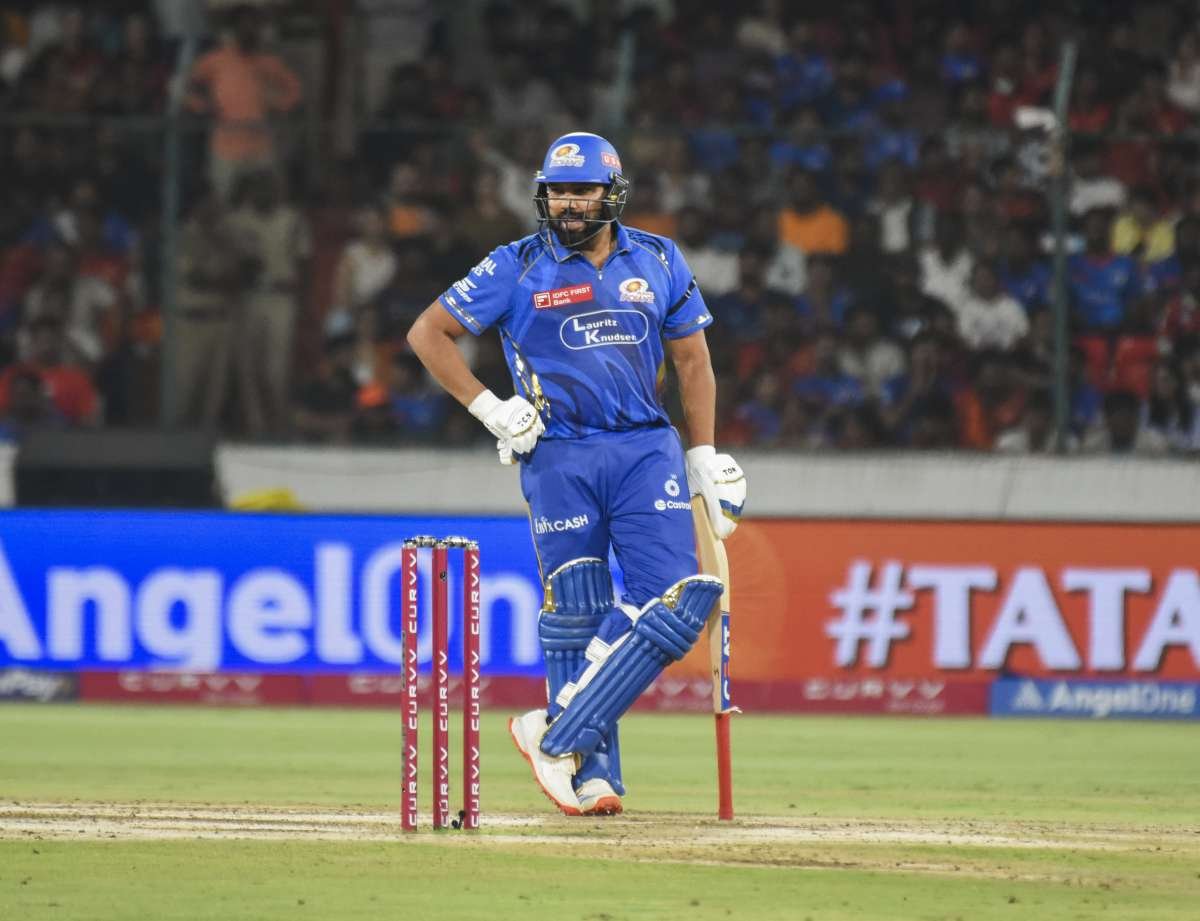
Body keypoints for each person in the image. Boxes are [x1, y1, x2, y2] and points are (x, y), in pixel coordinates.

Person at [407, 132, 747, 817]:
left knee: (680, 597)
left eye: (582, 191)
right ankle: (592, 774)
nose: (568, 203)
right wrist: (491, 409)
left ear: (611, 194)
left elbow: (693, 362)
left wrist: (705, 454)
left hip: (645, 449)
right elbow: (427, 333)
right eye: (558, 191)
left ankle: (553, 731)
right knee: (577, 612)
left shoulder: (658, 258)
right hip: (557, 453)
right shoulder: (515, 265)